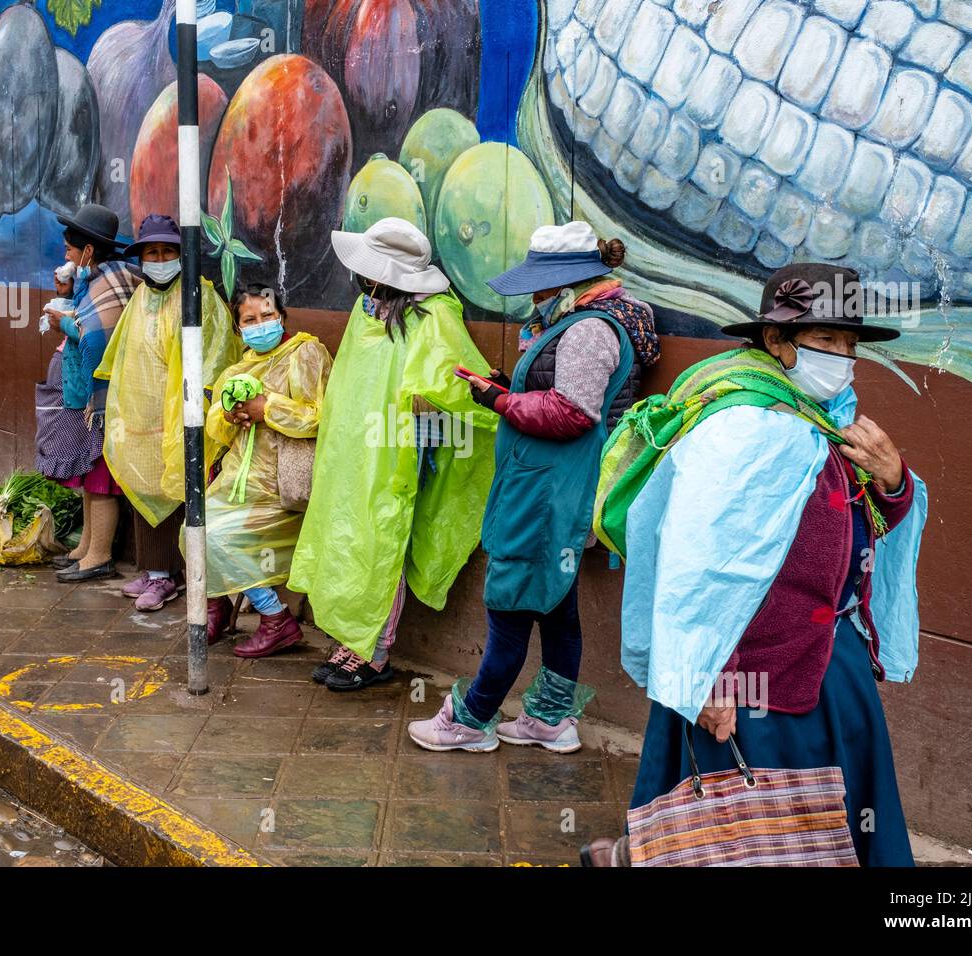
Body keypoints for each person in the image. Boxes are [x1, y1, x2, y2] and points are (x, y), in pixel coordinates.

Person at [580, 263, 927, 867]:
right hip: (746, 674)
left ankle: (631, 858)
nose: (842, 357)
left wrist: (893, 479)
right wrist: (711, 674)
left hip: (824, 666)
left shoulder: (830, 417)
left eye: (849, 344)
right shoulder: (743, 424)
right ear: (776, 341)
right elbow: (698, 564)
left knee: (805, 827)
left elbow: (869, 524)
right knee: (736, 824)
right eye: (826, 341)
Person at [407, 221, 659, 752]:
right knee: (556, 609)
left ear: (569, 283)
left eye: (541, 290)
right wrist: (501, 389)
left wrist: (499, 400)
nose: (535, 300)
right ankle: (549, 719)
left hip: (546, 495)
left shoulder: (590, 329)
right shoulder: (585, 322)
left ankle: (470, 721)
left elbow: (571, 411)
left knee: (509, 606)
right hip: (551, 487)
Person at [287, 217, 499, 691]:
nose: (364, 278)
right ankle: (350, 640)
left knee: (385, 542)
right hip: (357, 450)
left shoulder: (434, 315)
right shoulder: (370, 309)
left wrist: (426, 402)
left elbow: (456, 384)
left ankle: (375, 653)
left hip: (402, 449)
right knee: (352, 536)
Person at [94, 214, 240, 608]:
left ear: (182, 254)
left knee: (181, 488)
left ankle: (172, 576)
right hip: (142, 414)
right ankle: (155, 570)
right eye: (152, 252)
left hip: (182, 416)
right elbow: (123, 353)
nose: (159, 258)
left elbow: (215, 355)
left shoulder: (199, 295)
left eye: (167, 251)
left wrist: (197, 407)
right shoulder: (142, 297)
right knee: (146, 485)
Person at [204, 285, 332, 656]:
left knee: (219, 538)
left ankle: (277, 619)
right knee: (193, 532)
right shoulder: (237, 369)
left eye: (268, 316)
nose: (260, 325)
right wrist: (231, 415)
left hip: (281, 484)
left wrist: (268, 408)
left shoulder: (306, 353)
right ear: (238, 327)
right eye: (249, 320)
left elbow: (321, 417)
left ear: (282, 316)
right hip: (238, 480)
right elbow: (217, 430)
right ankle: (217, 604)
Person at [47, 204, 141, 583]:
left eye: (70, 249)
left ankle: (99, 556)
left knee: (101, 478)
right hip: (94, 398)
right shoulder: (93, 279)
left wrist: (66, 325)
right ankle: (86, 547)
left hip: (110, 398)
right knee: (89, 475)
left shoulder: (112, 282)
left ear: (87, 251)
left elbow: (104, 342)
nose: (65, 256)